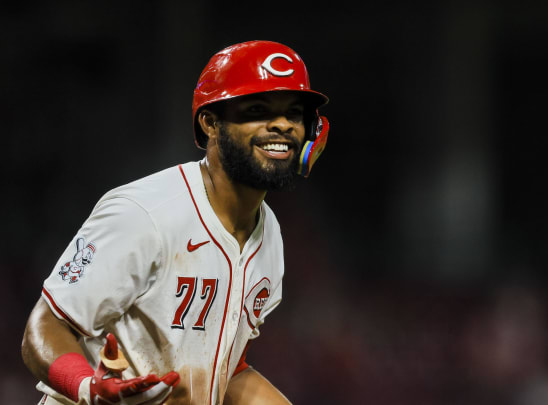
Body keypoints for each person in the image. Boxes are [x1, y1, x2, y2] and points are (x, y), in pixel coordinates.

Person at [21, 40, 330, 405]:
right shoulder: (144, 213)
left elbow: (226, 369)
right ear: (210, 123)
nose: (281, 124)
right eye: (258, 109)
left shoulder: (270, 237)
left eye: (294, 114)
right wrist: (87, 386)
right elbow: (45, 327)